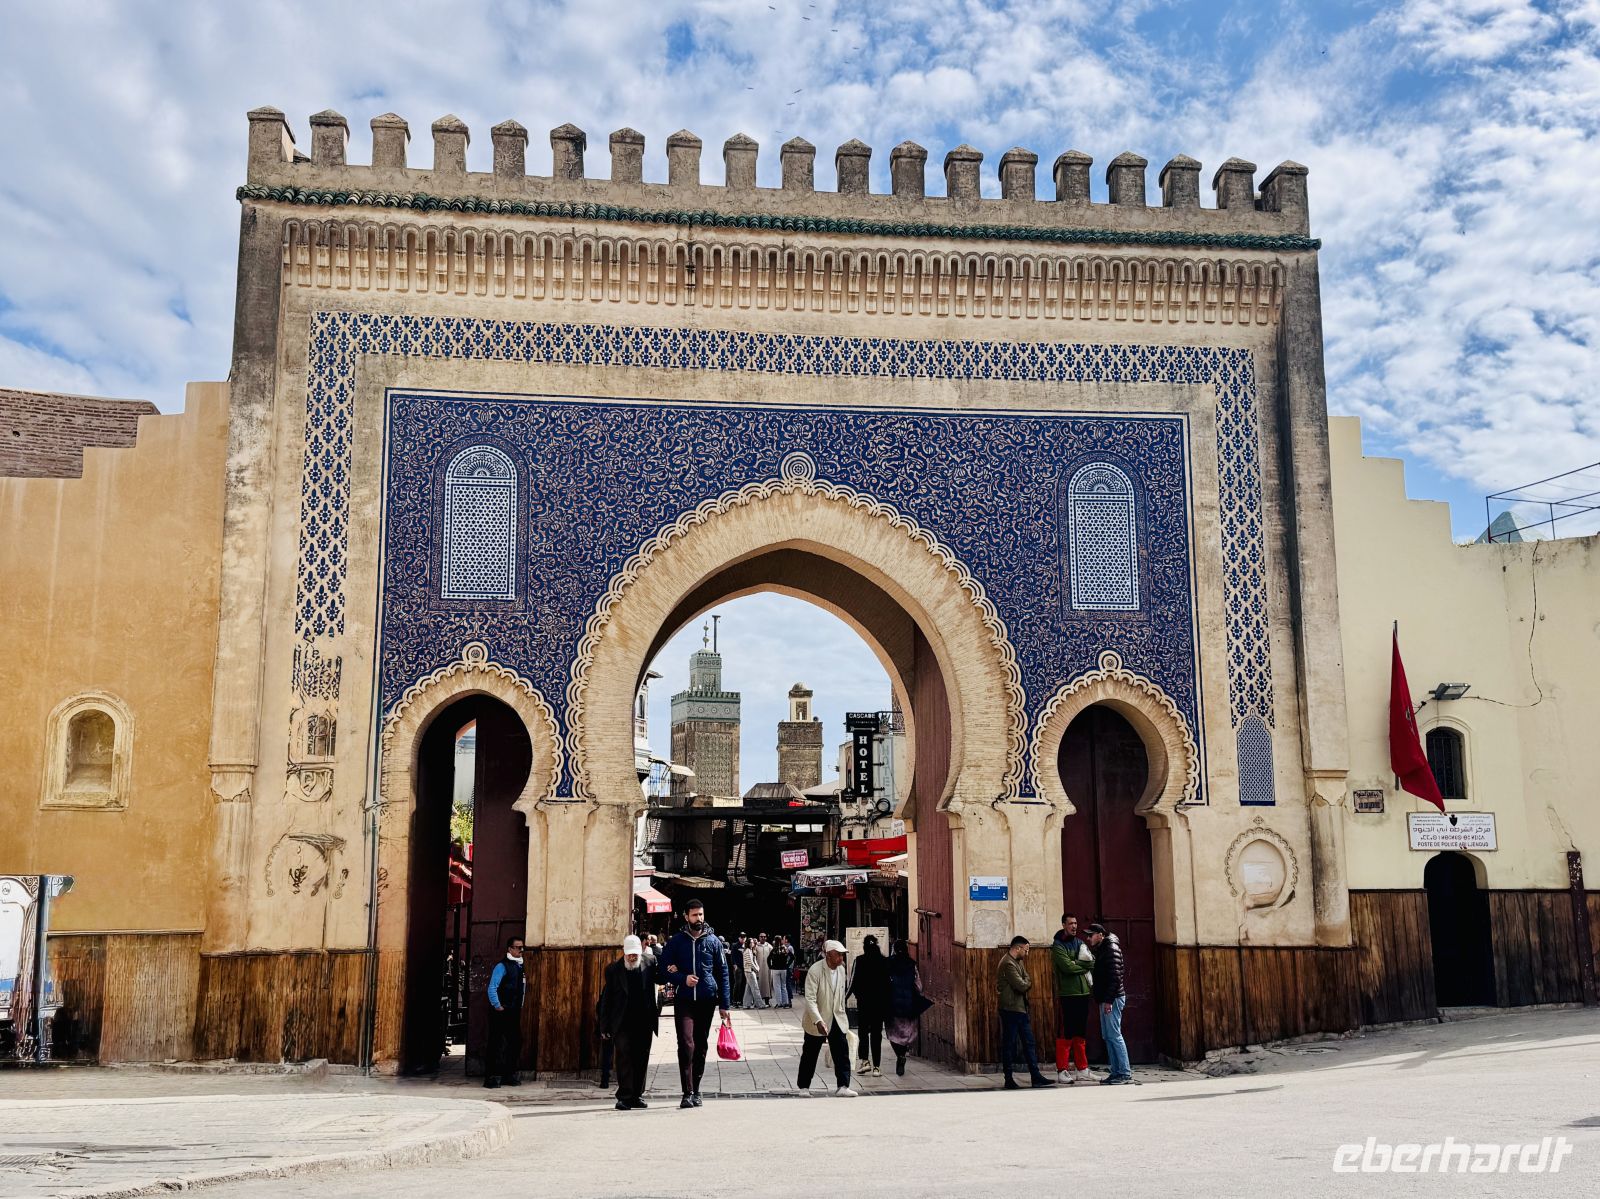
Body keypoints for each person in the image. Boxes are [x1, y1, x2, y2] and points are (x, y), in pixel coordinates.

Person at [658, 900, 731, 1108]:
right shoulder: (676, 942)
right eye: (694, 915)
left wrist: (725, 1005)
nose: (698, 919)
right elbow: (663, 968)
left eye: (701, 915)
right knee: (686, 1044)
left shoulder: (714, 942)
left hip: (707, 1000)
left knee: (700, 1045)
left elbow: (723, 973)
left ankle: (697, 1090)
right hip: (684, 1001)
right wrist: (682, 979)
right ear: (686, 917)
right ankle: (686, 1092)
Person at [598, 935, 659, 1111]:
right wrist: (604, 1026)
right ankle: (624, 1096)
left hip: (644, 1020)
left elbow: (660, 978)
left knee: (642, 1057)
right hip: (622, 1021)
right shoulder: (613, 969)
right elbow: (606, 999)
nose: (632, 958)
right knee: (624, 1057)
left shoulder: (650, 962)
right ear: (624, 952)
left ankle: (637, 1095)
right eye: (629, 954)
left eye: (635, 954)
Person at [797, 939, 856, 1097]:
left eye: (842, 956)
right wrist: (818, 1020)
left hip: (837, 1017)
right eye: (838, 955)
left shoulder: (841, 969)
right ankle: (804, 1087)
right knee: (810, 1053)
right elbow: (810, 999)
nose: (841, 959)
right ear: (829, 955)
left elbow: (840, 994)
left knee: (842, 1053)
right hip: (818, 1019)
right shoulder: (815, 971)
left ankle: (843, 1085)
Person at [996, 935, 1054, 1089]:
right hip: (1011, 1009)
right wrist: (1026, 982)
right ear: (1018, 948)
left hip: (1019, 1008)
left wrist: (1025, 982)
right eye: (1026, 950)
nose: (1027, 954)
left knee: (1029, 1043)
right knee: (1010, 1044)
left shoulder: (1017, 962)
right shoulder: (1008, 964)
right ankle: (1008, 1078)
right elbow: (1022, 985)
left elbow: (1026, 979)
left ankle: (1035, 1076)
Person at [1050, 912, 1101, 1083]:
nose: (1074, 926)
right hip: (1067, 994)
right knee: (1066, 1033)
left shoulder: (1079, 943)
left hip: (1083, 993)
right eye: (1070, 923)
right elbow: (1067, 968)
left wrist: (1076, 964)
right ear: (1063, 924)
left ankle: (1082, 1069)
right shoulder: (1057, 946)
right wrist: (1081, 965)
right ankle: (1062, 1070)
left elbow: (1092, 962)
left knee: (1080, 1033)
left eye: (1076, 923)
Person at [1086, 923, 1133, 1085]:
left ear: (1100, 934)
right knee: (1108, 1036)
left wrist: (1108, 1000)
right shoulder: (1104, 948)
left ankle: (1124, 1073)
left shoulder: (1110, 948)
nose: (1088, 938)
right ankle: (1116, 1071)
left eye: (1091, 935)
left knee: (1114, 1035)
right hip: (1106, 998)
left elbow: (1115, 977)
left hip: (1111, 999)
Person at [484, 935, 526, 1089]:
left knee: (515, 1042)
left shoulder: (519, 966)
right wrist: (498, 1005)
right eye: (518, 947)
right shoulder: (502, 966)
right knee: (496, 1043)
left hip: (513, 1011)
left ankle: (508, 1075)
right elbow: (492, 987)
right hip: (501, 1011)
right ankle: (490, 1077)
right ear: (510, 949)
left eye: (522, 947)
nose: (521, 950)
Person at [848, 934, 890, 1076]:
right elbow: (889, 984)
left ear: (864, 947)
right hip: (879, 1004)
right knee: (877, 1034)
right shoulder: (884, 961)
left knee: (863, 1033)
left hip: (864, 1004)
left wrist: (843, 1000)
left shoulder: (859, 960)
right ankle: (877, 1067)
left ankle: (865, 1061)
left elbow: (852, 983)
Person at [885, 939, 927, 1076]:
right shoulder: (911, 964)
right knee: (907, 1033)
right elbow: (918, 986)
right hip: (909, 1004)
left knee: (892, 1033)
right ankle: (902, 1054)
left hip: (892, 1004)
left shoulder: (888, 963)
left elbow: (883, 982)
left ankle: (899, 1055)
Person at [741, 938, 768, 1009]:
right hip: (750, 971)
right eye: (752, 942)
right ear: (749, 943)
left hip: (748, 971)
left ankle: (746, 1004)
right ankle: (760, 1004)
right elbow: (750, 962)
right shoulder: (748, 951)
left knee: (748, 989)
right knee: (755, 988)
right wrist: (757, 969)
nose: (753, 943)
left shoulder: (748, 950)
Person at [767, 936, 794, 1008]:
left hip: (775, 969)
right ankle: (785, 1002)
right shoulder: (785, 949)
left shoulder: (774, 950)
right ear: (781, 940)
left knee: (777, 986)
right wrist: (787, 965)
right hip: (784, 969)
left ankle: (779, 1003)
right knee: (784, 986)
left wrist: (770, 966)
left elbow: (768, 959)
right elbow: (792, 957)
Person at [755, 933, 774, 1006]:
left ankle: (767, 1001)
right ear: (759, 937)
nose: (763, 938)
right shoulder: (756, 946)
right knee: (758, 984)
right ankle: (758, 1001)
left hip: (767, 968)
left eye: (764, 937)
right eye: (761, 937)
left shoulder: (769, 946)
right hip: (758, 968)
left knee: (767, 984)